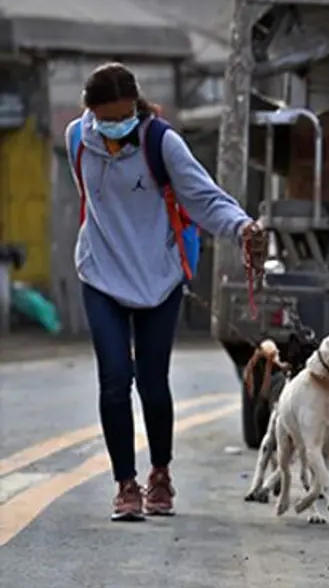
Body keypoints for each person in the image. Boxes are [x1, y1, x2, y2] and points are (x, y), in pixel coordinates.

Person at [68, 62, 260, 522]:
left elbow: (203, 197)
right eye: (105, 118)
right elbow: (92, 200)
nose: (115, 127)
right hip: (100, 273)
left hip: (159, 276)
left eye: (123, 115)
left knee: (153, 384)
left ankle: (160, 474)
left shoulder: (160, 142)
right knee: (115, 382)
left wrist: (242, 227)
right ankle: (125, 485)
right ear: (91, 112)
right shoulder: (78, 137)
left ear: (136, 104)